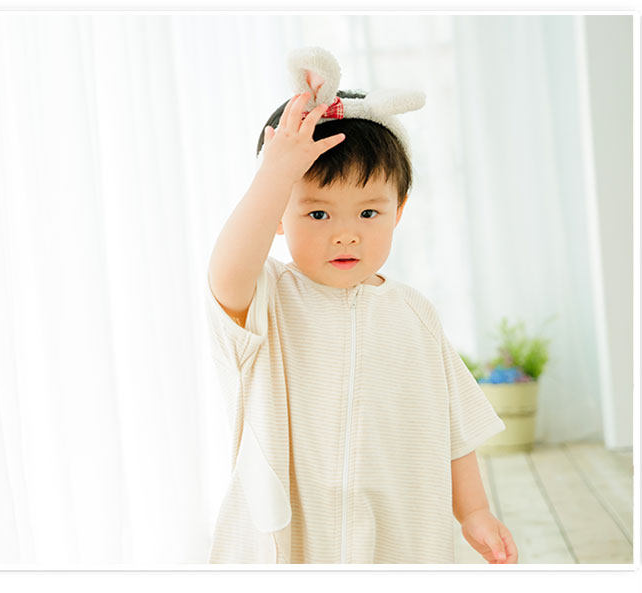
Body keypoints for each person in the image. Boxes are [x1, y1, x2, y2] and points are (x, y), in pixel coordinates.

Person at [204, 46, 518, 564]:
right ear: (278, 214)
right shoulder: (264, 299)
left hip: (396, 534)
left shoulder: (414, 314)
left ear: (399, 210)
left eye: (369, 212)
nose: (346, 235)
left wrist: (475, 511)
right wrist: (275, 174)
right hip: (293, 538)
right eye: (318, 214)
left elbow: (454, 425)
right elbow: (228, 268)